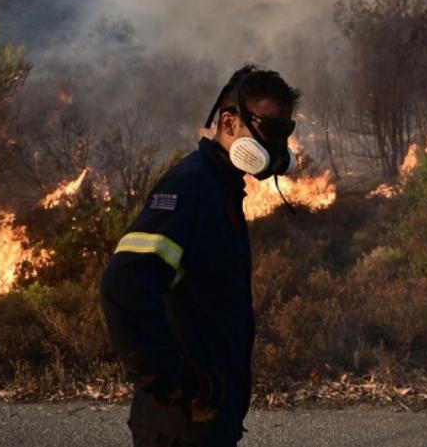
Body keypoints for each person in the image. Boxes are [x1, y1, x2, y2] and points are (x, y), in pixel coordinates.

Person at [100, 65, 300, 447]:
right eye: (270, 131)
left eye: (284, 133)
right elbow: (124, 283)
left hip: (208, 417)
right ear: (229, 122)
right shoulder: (191, 188)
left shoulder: (221, 188)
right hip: (179, 425)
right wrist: (172, 380)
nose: (277, 148)